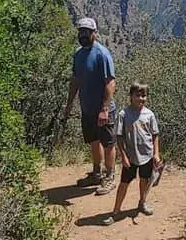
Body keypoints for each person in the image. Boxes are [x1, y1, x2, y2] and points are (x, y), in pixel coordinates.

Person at [63, 17, 117, 195]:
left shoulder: (102, 54)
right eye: (81, 31)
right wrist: (70, 103)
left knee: (108, 143)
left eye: (87, 31)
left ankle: (110, 177)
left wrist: (105, 109)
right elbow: (76, 80)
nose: (83, 34)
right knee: (94, 141)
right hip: (87, 108)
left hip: (102, 109)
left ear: (94, 33)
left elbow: (110, 83)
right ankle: (96, 173)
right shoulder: (78, 54)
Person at [102, 83, 161, 226]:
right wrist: (123, 156)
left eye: (143, 95)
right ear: (131, 96)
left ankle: (142, 202)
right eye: (137, 95)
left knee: (145, 180)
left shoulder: (149, 114)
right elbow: (120, 137)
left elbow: (155, 135)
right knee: (124, 183)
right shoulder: (124, 114)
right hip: (131, 156)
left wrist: (156, 153)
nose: (141, 98)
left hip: (146, 154)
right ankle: (115, 211)